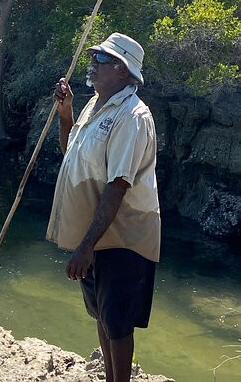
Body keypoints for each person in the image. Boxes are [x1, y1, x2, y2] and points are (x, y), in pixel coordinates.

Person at [46, 33, 160, 382]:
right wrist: (65, 114)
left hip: (123, 233)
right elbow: (72, 153)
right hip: (97, 231)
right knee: (100, 314)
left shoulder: (132, 116)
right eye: (93, 58)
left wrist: (85, 247)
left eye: (102, 61)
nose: (92, 65)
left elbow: (118, 184)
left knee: (118, 322)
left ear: (124, 72)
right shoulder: (95, 105)